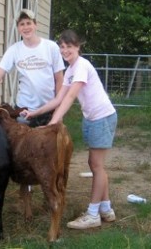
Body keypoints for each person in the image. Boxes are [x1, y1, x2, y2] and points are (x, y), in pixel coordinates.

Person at [21, 29, 117, 229]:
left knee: (96, 166)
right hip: (91, 118)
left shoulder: (81, 66)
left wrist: (54, 123)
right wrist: (35, 112)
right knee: (96, 165)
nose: (65, 51)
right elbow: (58, 98)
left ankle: (92, 215)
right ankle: (106, 209)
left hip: (102, 117)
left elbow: (71, 97)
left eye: (69, 47)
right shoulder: (71, 69)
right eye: (62, 47)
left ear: (78, 47)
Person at [0, 9, 65, 127]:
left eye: (29, 23)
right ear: (18, 28)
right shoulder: (14, 50)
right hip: (24, 111)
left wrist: (59, 110)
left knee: (48, 145)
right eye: (22, 24)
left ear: (35, 25)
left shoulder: (51, 47)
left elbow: (59, 80)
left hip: (49, 111)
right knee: (23, 145)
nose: (26, 27)